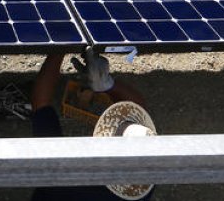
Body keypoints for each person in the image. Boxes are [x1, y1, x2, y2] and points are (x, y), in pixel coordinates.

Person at [30, 49, 154, 200]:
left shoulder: (61, 175)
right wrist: (107, 84)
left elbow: (41, 105)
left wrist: (59, 49)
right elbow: (140, 110)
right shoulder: (141, 187)